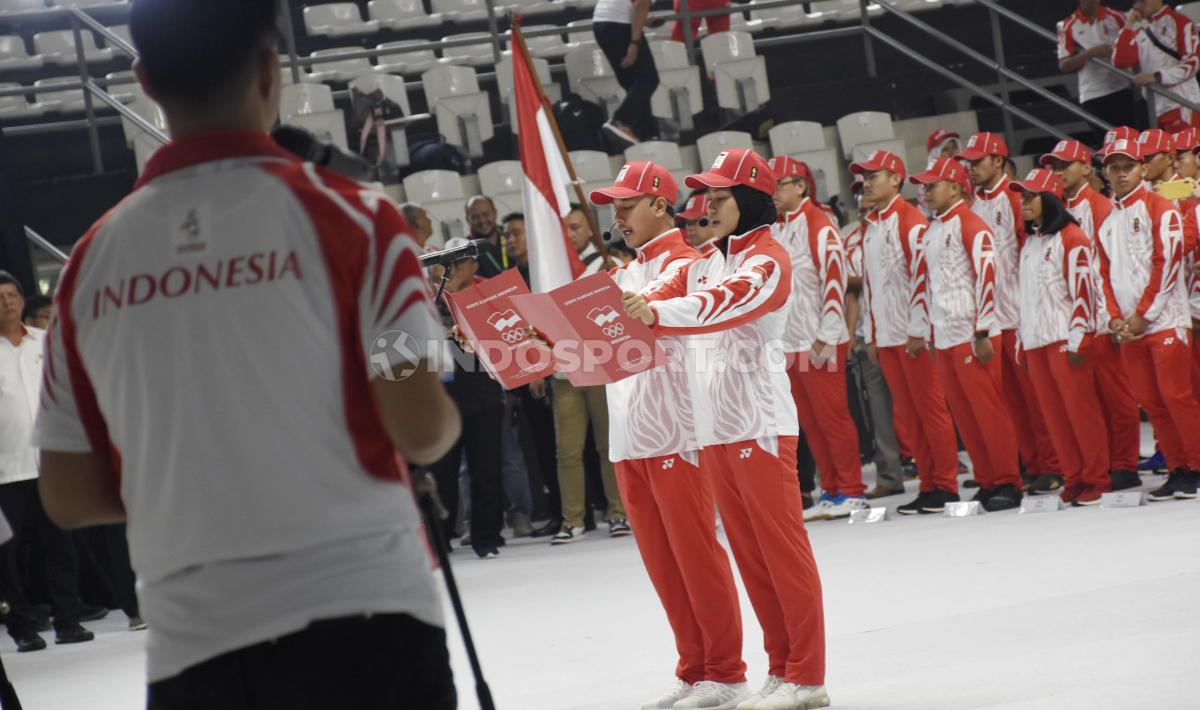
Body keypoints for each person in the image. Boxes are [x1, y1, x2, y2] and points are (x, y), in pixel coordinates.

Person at [34, 2, 462, 706]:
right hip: (368, 625)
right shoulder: (363, 221)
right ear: (271, 69)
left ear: (144, 79)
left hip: (195, 650)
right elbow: (421, 427)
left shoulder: (89, 266)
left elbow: (68, 494)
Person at [625, 148, 829, 710]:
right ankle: (782, 669)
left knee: (782, 553)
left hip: (759, 425)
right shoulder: (705, 259)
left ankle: (809, 677)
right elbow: (651, 300)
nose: (705, 206)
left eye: (718, 197)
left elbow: (720, 305)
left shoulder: (769, 259)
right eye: (706, 196)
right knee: (751, 557)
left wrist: (655, 313)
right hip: (714, 429)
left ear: (750, 199)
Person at [589, 161, 748, 710]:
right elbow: (582, 344)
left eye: (626, 205)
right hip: (629, 433)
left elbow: (655, 315)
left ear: (660, 204)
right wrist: (507, 340)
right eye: (613, 206)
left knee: (695, 552)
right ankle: (694, 666)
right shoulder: (619, 274)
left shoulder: (688, 262)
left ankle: (726, 670)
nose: (617, 215)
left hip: (676, 432)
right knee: (662, 561)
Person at [909, 158, 1025, 512]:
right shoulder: (932, 230)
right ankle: (988, 480)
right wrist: (928, 330)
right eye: (925, 186)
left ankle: (1008, 481)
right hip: (944, 334)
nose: (926, 191)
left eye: (933, 185)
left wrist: (984, 329)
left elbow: (987, 277)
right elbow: (926, 285)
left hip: (973, 333)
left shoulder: (973, 225)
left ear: (958, 186)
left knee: (989, 411)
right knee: (965, 415)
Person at [854, 151, 961, 514]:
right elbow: (870, 284)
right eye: (865, 177)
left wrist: (918, 327)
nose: (867, 182)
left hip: (911, 335)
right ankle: (928, 482)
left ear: (896, 179)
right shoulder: (872, 225)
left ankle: (945, 484)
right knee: (908, 413)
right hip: (885, 336)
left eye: (875, 175)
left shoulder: (911, 221)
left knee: (930, 410)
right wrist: (870, 332)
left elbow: (922, 278)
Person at [958, 132, 1063, 493]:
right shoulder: (972, 205)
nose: (971, 168)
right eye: (968, 163)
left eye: (978, 161)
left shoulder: (1016, 198)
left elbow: (1027, 252)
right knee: (1012, 401)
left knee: (1034, 399)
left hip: (1020, 313)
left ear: (998, 162)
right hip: (992, 316)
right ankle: (1030, 464)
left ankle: (1051, 464)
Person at [1096, 138, 1200, 500]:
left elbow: (1167, 263)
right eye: (1114, 167)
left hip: (1165, 320)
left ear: (1142, 168)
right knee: (1153, 402)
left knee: (1177, 396)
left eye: (1128, 166)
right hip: (1131, 328)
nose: (1121, 173)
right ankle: (1177, 468)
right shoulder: (1108, 221)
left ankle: (1197, 466)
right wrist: (1113, 319)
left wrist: (1142, 315)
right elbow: (1103, 274)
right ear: (1106, 173)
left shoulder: (1160, 207)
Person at [1040, 140, 1143, 491]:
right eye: (1053, 167)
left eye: (1064, 165)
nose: (1057, 173)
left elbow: (1112, 263)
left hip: (1102, 317)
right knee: (1091, 402)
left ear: (1086, 167)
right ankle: (1105, 462)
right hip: (1073, 318)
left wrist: (1111, 314)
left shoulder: (1100, 207)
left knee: (1117, 396)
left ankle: (1126, 463)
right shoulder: (1055, 210)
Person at [0, 272, 94, 652]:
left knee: (62, 547)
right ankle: (20, 626)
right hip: (6, 469)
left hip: (51, 462)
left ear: (23, 300)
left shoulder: (46, 341)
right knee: (8, 557)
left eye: (11, 294)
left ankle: (68, 620)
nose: (6, 302)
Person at [768, 155, 866, 521]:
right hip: (792, 340)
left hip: (819, 338)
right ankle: (833, 487)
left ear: (800, 186)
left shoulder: (820, 225)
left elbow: (835, 279)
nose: (774, 192)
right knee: (808, 421)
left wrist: (827, 333)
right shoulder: (777, 228)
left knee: (833, 417)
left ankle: (852, 489)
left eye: (780, 184)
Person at [1011, 169, 1114, 506]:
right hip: (1038, 342)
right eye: (1022, 197)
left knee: (1081, 414)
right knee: (1055, 418)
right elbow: (1024, 297)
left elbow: (1085, 292)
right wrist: (1022, 342)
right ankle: (1073, 477)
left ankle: (1097, 478)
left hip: (1065, 341)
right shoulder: (1030, 243)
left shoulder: (1072, 238)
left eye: (1030, 197)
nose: (1023, 203)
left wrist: (1079, 338)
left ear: (1050, 198)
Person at [427, 238, 507, 559]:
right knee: (442, 472)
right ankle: (439, 538)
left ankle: (486, 536)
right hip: (444, 398)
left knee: (486, 468)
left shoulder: (491, 293)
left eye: (462, 262)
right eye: (450, 262)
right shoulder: (430, 297)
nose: (455, 269)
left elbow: (508, 336)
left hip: (485, 393)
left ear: (475, 263)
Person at [842, 178, 905, 500]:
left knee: (917, 407)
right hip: (870, 335)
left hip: (902, 330)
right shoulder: (852, 239)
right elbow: (852, 292)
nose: (866, 213)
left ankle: (934, 466)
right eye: (862, 209)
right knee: (879, 411)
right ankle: (890, 473)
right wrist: (852, 334)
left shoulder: (896, 228)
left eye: (870, 208)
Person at [501, 213, 562, 532]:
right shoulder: (509, 278)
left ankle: (582, 510)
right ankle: (558, 511)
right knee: (541, 446)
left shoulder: (544, 272)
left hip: (557, 367)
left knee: (564, 445)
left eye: (516, 233)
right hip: (528, 372)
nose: (511, 240)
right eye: (507, 235)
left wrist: (543, 369)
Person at [1112, 0, 1200, 132]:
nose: (1137, 6)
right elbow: (1120, 61)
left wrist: (1157, 76)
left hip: (1181, 102)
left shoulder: (1179, 21)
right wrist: (1129, 25)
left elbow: (1193, 62)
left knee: (1189, 150)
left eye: (1142, 1)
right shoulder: (1137, 28)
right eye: (1135, 2)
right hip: (1156, 106)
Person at [1058, 0, 1136, 132]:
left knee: (1130, 139)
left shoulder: (1118, 17)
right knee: (1105, 143)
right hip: (1091, 92)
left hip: (1122, 87)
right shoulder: (1067, 25)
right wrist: (1090, 53)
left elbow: (1135, 47)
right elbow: (1064, 65)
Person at [593, 0, 658, 144]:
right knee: (648, 79)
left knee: (632, 83)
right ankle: (620, 120)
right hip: (618, 24)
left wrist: (644, 21)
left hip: (602, 24)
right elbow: (641, 3)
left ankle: (645, 133)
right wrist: (634, 44)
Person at [466, 195, 511, 276]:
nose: (482, 220)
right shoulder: (466, 250)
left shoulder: (511, 236)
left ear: (495, 213)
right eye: (475, 217)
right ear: (467, 220)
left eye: (486, 214)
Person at [566, 206, 609, 275]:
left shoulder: (607, 264)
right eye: (564, 229)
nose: (569, 235)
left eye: (574, 228)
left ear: (591, 229)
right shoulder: (561, 268)